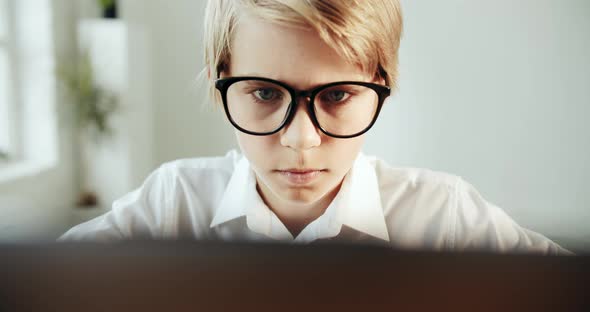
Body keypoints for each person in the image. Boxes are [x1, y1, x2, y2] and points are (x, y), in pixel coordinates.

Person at [59, 0, 570, 254]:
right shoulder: (172, 206)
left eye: (336, 95)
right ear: (223, 78)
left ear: (380, 83)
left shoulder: (445, 217)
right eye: (264, 93)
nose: (300, 140)